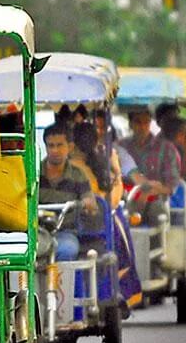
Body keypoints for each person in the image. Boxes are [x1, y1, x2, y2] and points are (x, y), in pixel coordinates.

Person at [71, 123, 142, 311]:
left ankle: (113, 289)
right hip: (76, 223)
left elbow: (109, 199)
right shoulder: (65, 166)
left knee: (117, 225)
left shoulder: (97, 162)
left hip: (93, 223)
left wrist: (115, 169)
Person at [39, 124, 97, 262]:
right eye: (50, 145)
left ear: (69, 147)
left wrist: (87, 203)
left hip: (65, 232)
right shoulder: (34, 173)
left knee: (67, 249)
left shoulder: (78, 175)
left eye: (59, 145)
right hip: (38, 232)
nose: (55, 150)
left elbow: (90, 202)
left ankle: (62, 283)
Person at [120, 109, 182, 224]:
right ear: (130, 124)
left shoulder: (166, 149)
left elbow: (170, 186)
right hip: (125, 198)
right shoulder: (121, 147)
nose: (142, 126)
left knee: (159, 216)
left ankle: (158, 241)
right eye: (138, 122)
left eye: (146, 122)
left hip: (155, 200)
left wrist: (148, 192)